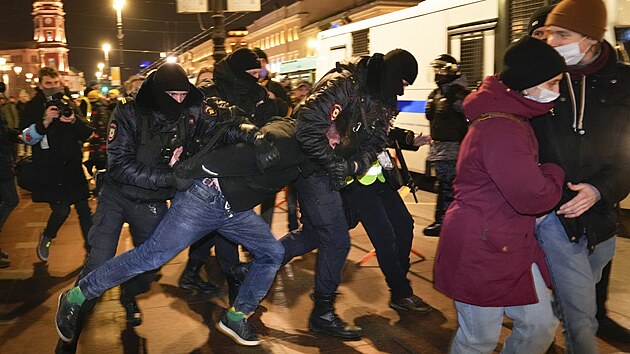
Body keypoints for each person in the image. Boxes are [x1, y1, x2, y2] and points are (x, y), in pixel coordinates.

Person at [55, 97, 291, 347]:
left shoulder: (195, 114)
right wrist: (175, 174)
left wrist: (249, 133)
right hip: (119, 194)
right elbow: (121, 165)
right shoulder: (129, 112)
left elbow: (225, 127)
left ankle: (129, 295)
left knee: (149, 265)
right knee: (104, 258)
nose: (177, 99)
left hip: (155, 198)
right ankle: (73, 314)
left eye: (181, 95)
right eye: (171, 94)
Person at [434, 36, 567, 354]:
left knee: (540, 326)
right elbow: (534, 197)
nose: (557, 91)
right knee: (478, 339)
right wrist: (555, 171)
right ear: (529, 84)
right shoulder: (501, 129)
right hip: (483, 247)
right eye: (553, 82)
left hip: (506, 243)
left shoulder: (511, 120)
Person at [277, 49, 418, 340]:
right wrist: (338, 165)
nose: (402, 90)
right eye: (401, 81)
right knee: (336, 241)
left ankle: (261, 263)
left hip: (351, 175)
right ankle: (323, 312)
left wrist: (353, 164)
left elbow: (378, 138)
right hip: (316, 171)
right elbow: (307, 129)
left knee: (316, 235)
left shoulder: (382, 96)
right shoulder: (344, 83)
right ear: (390, 75)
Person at [530, 1, 630, 352]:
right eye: (547, 33)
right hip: (555, 214)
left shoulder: (625, 83)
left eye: (562, 34)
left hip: (602, 218)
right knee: (582, 318)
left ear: (590, 38)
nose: (552, 41)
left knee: (577, 301)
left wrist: (600, 189)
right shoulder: (539, 76)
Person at [20, 67, 93, 262]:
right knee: (61, 210)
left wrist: (72, 121)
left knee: (85, 210)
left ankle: (91, 251)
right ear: (40, 85)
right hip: (49, 170)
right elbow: (26, 138)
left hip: (72, 168)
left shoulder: (68, 103)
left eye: (55, 83)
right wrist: (43, 122)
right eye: (48, 84)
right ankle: (47, 237)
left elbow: (87, 134)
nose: (52, 88)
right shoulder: (32, 107)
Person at [422, 54, 470, 237]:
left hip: (454, 150)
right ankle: (446, 221)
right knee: (443, 185)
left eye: (440, 70)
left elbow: (472, 117)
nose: (437, 73)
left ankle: (444, 222)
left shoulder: (458, 94)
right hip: (439, 150)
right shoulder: (437, 94)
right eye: (435, 70)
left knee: (448, 187)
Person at [0, 109, 20, 268]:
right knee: (11, 199)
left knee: (10, 200)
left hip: (4, 162)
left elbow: (4, 130)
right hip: (2, 165)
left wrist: (19, 136)